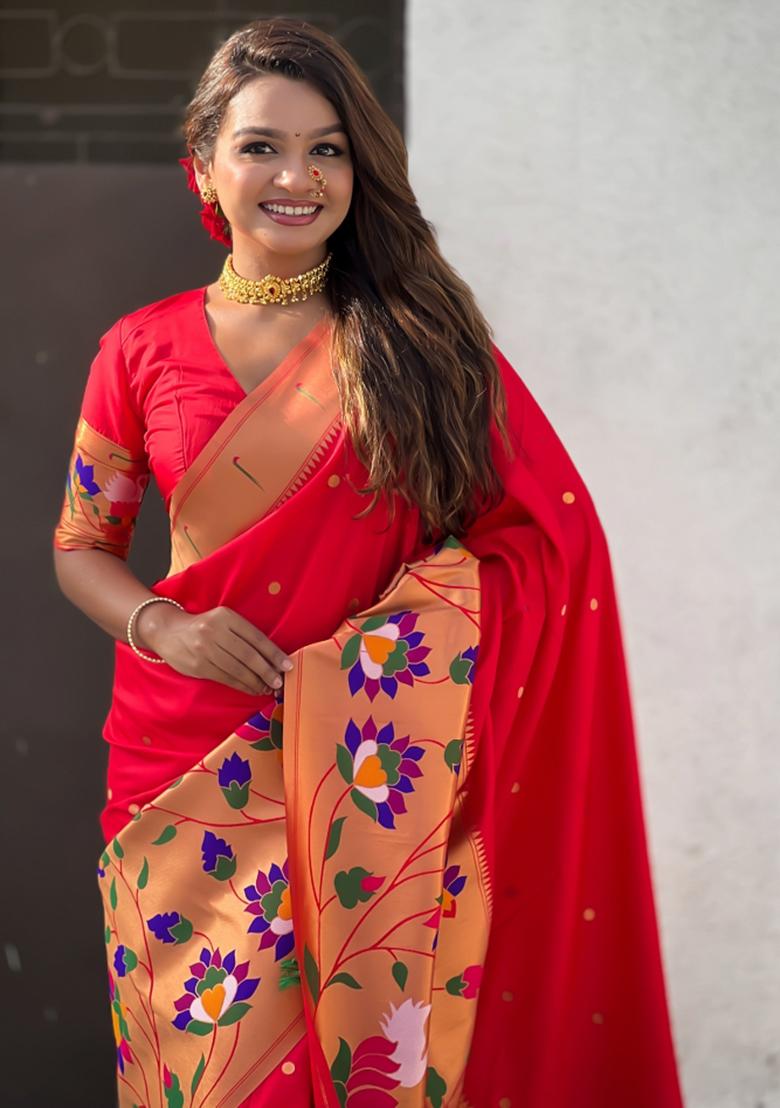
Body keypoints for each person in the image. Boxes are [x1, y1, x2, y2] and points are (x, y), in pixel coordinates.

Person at [52, 16, 685, 1108]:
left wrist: (374, 660)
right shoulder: (138, 350)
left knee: (369, 1069)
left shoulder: (419, 343)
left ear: (360, 169)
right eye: (260, 145)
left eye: (328, 148)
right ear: (203, 160)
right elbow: (83, 547)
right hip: (179, 772)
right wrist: (165, 625)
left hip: (377, 778)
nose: (296, 175)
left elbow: (548, 541)